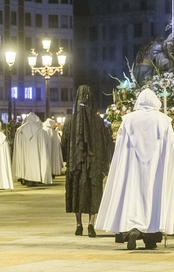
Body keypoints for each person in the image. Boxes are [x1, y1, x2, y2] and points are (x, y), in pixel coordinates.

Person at [96, 88, 174, 250]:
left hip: (131, 168)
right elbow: (171, 148)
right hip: (155, 169)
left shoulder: (128, 120)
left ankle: (132, 229)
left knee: (131, 195)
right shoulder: (163, 121)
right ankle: (150, 236)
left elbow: (120, 146)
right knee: (152, 196)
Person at [62, 85, 112, 238]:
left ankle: (78, 225)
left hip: (76, 163)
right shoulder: (98, 121)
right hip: (93, 164)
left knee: (77, 190)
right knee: (93, 191)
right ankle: (91, 223)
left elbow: (63, 142)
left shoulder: (70, 121)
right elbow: (106, 142)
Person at [12, 112, 52, 186]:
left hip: (24, 152)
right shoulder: (40, 131)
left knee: (24, 163)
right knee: (35, 163)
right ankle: (33, 179)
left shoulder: (20, 130)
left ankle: (25, 178)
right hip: (35, 153)